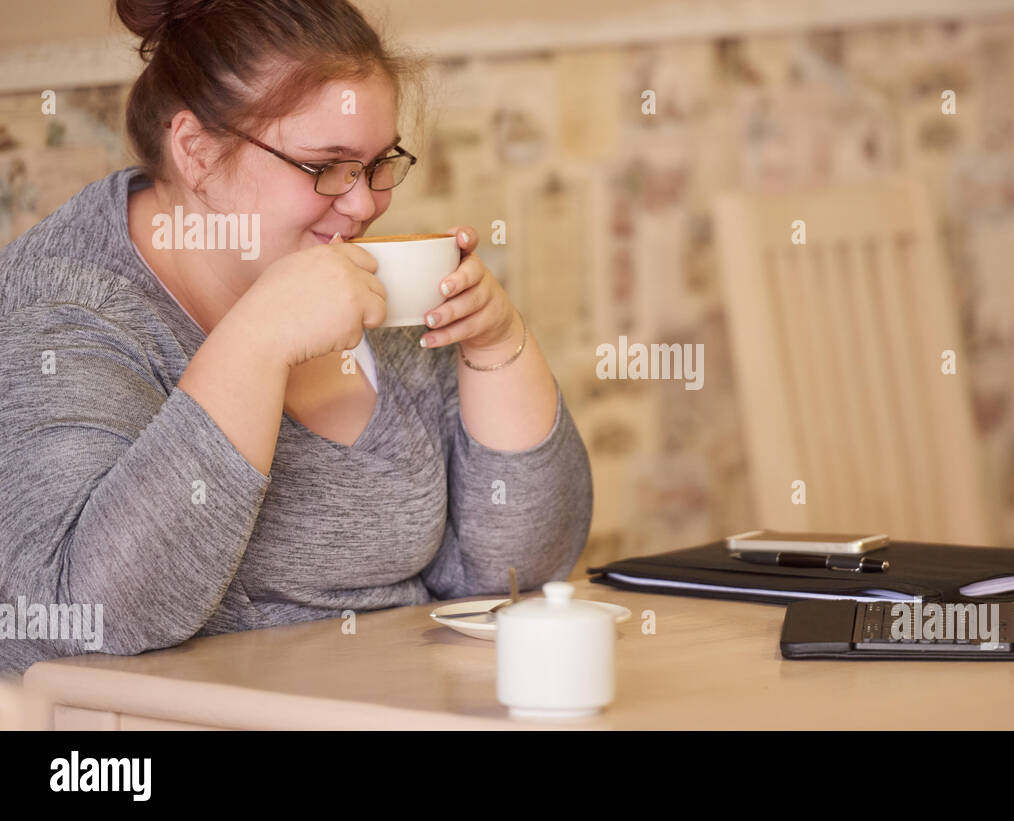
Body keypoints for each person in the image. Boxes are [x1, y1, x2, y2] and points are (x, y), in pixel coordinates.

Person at [0, 0, 593, 677]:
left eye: (378, 164)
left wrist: (498, 348)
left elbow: (518, 572)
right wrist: (257, 341)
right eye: (325, 166)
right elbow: (80, 622)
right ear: (196, 151)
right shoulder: (64, 314)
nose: (363, 205)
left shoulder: (366, 279)